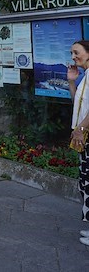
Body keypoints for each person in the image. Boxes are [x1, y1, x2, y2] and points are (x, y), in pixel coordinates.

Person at [67, 40, 89, 246]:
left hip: (87, 136)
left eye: (77, 52)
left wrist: (81, 129)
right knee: (86, 181)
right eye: (72, 53)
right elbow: (78, 105)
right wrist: (72, 82)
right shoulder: (85, 77)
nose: (73, 56)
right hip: (84, 138)